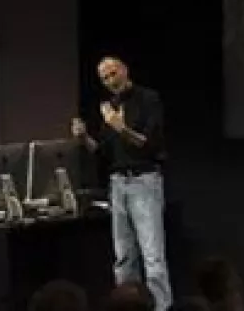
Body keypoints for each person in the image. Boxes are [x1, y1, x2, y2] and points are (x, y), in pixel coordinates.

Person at [71, 56, 172, 311]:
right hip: (117, 184)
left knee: (152, 256)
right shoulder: (110, 107)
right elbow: (102, 151)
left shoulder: (148, 99)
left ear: (125, 70)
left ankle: (160, 307)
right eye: (104, 78)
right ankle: (128, 307)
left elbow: (149, 143)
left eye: (113, 74)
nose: (110, 81)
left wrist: (121, 127)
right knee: (124, 256)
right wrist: (84, 138)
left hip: (143, 180)